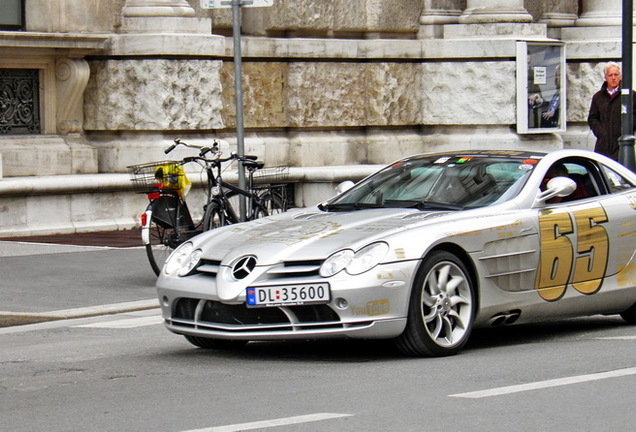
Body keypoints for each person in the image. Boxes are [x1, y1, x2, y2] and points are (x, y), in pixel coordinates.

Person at [587, 62, 633, 160]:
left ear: (620, 76)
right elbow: (592, 118)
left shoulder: (629, 96)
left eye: (616, 75)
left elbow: (634, 115)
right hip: (603, 146)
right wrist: (601, 133)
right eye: (610, 75)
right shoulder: (598, 97)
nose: (613, 78)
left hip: (622, 145)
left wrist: (625, 130)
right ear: (605, 77)